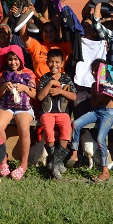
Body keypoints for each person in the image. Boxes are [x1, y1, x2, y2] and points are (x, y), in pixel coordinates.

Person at [0, 47, 37, 180]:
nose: (13, 62)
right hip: (7, 106)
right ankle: (3, 160)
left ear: (21, 59)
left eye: (16, 59)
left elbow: (34, 94)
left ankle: (23, 164)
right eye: (10, 59)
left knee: (24, 130)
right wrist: (4, 86)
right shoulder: (3, 74)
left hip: (23, 108)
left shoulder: (29, 73)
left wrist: (24, 88)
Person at [36, 49, 77, 179]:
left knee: (66, 128)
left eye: (57, 62)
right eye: (51, 62)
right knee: (48, 131)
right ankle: (56, 163)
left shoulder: (66, 78)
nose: (54, 65)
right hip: (47, 113)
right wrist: (50, 84)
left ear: (62, 63)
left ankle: (55, 162)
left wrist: (60, 92)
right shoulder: (45, 78)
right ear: (47, 63)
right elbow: (39, 97)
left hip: (62, 112)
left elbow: (74, 96)